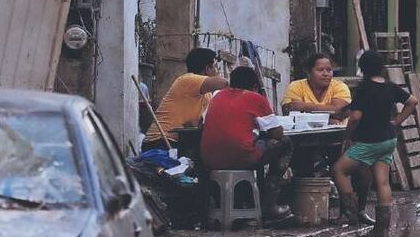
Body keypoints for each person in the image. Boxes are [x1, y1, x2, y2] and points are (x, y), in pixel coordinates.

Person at [332, 50, 418, 230]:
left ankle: (350, 213)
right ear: (381, 67)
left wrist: (347, 136)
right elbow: (412, 101)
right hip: (388, 140)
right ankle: (383, 226)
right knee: (383, 182)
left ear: (362, 68)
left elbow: (355, 116)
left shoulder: (364, 88)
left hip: (368, 141)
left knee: (339, 170)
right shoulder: (390, 86)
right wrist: (397, 121)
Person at [201, 67, 293, 222]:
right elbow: (277, 134)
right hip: (240, 157)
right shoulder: (255, 98)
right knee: (285, 144)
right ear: (255, 87)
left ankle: (247, 201)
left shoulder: (217, 96)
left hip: (209, 158)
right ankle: (269, 204)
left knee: (253, 143)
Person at [143, 47, 228, 150]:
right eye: (215, 67)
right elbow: (223, 83)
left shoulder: (207, 94)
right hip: (159, 142)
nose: (217, 71)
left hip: (178, 142)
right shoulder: (187, 80)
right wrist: (240, 82)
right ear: (208, 68)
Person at [281, 53, 352, 118]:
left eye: (329, 70)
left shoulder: (339, 86)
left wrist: (305, 107)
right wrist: (329, 118)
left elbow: (340, 111)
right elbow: (289, 112)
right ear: (308, 72)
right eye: (320, 70)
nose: (326, 74)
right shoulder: (296, 86)